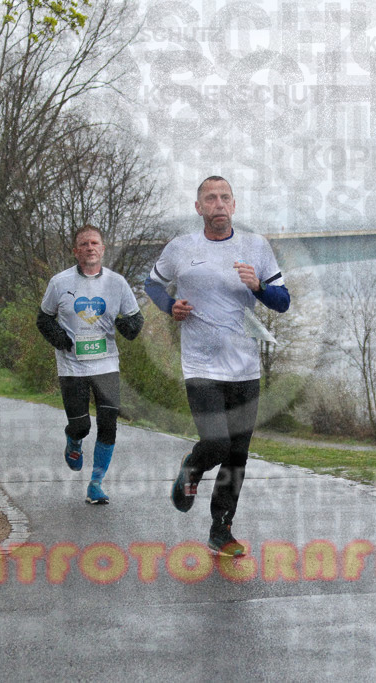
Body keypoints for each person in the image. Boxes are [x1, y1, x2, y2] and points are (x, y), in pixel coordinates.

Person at [144, 176, 290, 556]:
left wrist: (258, 287)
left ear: (234, 205)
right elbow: (153, 285)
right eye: (211, 198)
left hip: (245, 368)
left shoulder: (256, 247)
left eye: (225, 197)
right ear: (199, 208)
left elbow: (282, 301)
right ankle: (193, 466)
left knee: (237, 454)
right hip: (201, 364)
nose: (219, 204)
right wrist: (168, 306)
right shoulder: (181, 248)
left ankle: (221, 529)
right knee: (216, 442)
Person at [37, 224, 144, 505]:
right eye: (84, 244)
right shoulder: (59, 283)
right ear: (75, 251)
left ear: (103, 248)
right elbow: (43, 319)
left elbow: (135, 320)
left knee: (108, 424)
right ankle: (73, 441)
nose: (90, 248)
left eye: (94, 243)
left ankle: (96, 483)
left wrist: (126, 325)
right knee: (82, 425)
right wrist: (60, 339)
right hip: (72, 367)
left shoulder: (117, 283)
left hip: (107, 364)